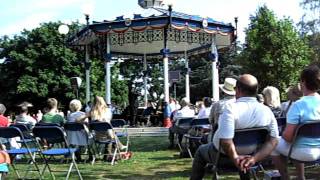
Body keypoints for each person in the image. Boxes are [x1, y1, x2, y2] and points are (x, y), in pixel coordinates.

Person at [190, 74, 279, 180]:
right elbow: (273, 141)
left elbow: (226, 142)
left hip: (222, 157)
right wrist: (254, 159)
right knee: (243, 156)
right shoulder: (266, 111)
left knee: (200, 150)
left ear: (238, 90)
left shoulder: (230, 109)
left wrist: (236, 158)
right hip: (251, 156)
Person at [271, 65, 320, 180]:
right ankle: (301, 177)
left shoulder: (297, 105)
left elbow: (288, 138)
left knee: (272, 143)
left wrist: (282, 134)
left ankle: (285, 177)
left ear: (303, 82)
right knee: (294, 142)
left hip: (301, 152)